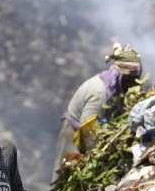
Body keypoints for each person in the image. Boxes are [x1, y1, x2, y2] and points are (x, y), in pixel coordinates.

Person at [52, 43, 142, 182]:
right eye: (129, 80)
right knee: (67, 176)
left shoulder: (113, 88)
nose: (133, 84)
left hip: (87, 132)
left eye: (136, 79)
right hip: (75, 136)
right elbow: (87, 133)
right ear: (119, 75)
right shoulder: (100, 94)